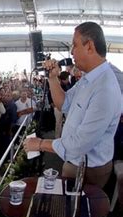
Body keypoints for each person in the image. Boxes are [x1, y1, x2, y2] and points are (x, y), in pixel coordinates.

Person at [24, 22, 121, 188]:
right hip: (74, 161)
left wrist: (40, 144)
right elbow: (64, 104)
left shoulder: (105, 88)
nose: (71, 51)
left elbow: (79, 144)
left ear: (89, 46)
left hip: (88, 169)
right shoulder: (88, 78)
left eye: (74, 45)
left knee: (78, 211)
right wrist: (53, 78)